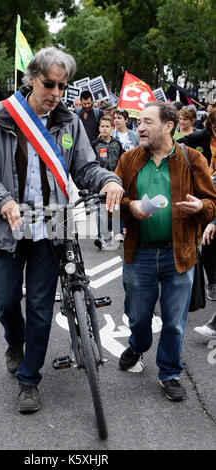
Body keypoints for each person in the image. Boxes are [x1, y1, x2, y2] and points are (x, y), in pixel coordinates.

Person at [0, 47, 123, 414]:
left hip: (55, 221)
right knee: (5, 301)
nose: (55, 92)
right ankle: (14, 341)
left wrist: (109, 179)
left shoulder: (68, 123)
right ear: (32, 79)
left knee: (39, 306)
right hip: (9, 221)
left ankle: (29, 379)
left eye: (61, 86)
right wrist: (2, 199)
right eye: (49, 84)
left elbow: (85, 167)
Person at [115, 101, 216, 401]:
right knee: (137, 316)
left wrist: (201, 208)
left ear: (168, 126)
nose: (140, 128)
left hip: (180, 255)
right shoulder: (129, 159)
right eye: (138, 123)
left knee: (174, 321)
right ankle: (137, 344)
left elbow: (212, 205)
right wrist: (129, 207)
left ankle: (169, 372)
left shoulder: (191, 158)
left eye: (147, 122)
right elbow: (113, 203)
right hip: (139, 254)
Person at [179, 110, 216, 300]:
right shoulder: (200, 137)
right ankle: (212, 282)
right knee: (205, 241)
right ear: (210, 125)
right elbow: (177, 146)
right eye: (214, 127)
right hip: (202, 193)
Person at [92, 115, 124, 249]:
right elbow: (92, 163)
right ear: (99, 128)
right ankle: (102, 236)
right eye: (102, 126)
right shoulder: (95, 144)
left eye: (107, 126)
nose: (104, 129)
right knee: (101, 209)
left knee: (116, 205)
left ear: (112, 128)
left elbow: (122, 159)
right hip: (101, 182)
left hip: (115, 181)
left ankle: (118, 233)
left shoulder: (117, 143)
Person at [112, 109, 139, 242]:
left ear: (126, 120)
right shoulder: (111, 134)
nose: (116, 120)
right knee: (119, 200)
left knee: (132, 199)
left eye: (119, 118)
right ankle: (118, 231)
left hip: (133, 171)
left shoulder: (134, 136)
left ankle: (130, 228)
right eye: (115, 118)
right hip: (117, 172)